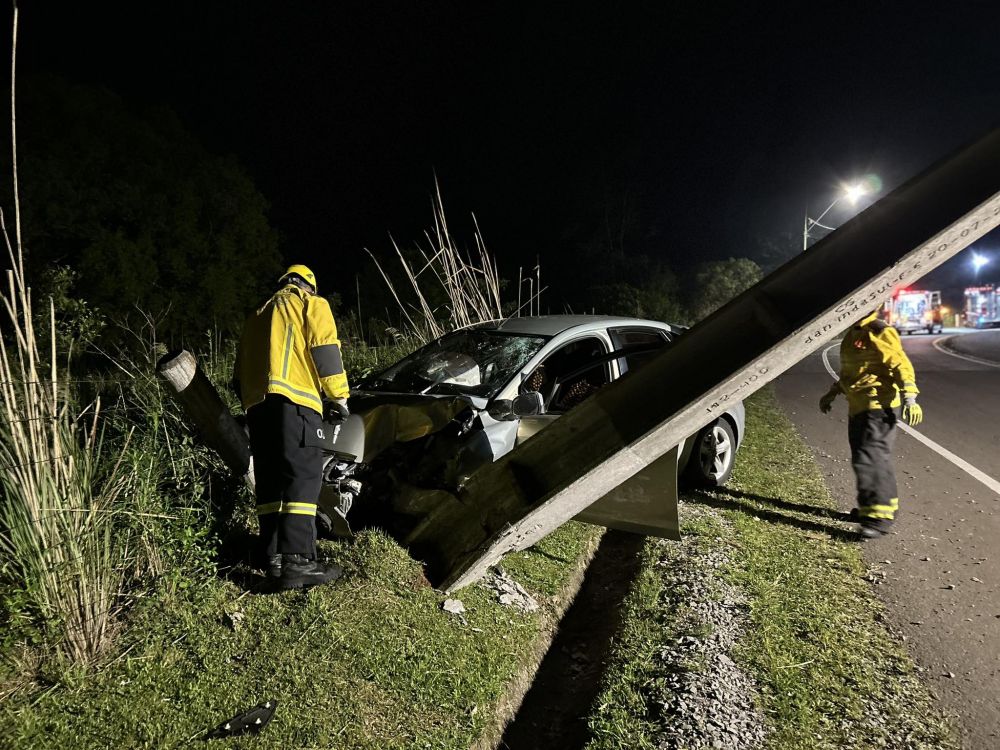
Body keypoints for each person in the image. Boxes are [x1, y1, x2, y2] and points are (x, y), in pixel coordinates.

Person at [235, 264, 350, 589]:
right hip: (296, 405)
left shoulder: (257, 315)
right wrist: (338, 398)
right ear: (307, 286)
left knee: (270, 483)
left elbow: (237, 373)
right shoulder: (310, 304)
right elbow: (325, 350)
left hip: (258, 409)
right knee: (303, 477)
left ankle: (272, 558)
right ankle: (298, 561)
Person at [819, 309, 923, 538]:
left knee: (870, 459)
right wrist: (832, 393)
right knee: (865, 458)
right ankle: (872, 509)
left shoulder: (878, 330)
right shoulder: (853, 333)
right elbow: (851, 372)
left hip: (877, 407)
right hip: (859, 406)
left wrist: (910, 398)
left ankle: (879, 518)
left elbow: (900, 364)